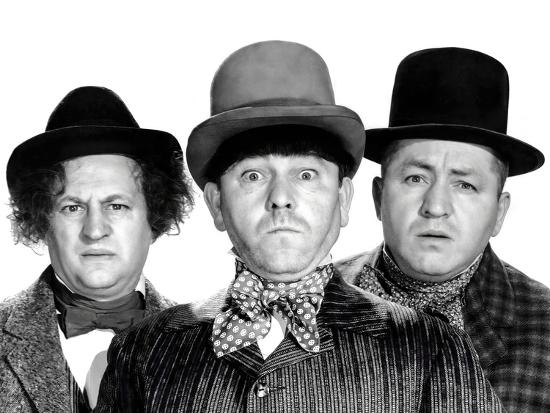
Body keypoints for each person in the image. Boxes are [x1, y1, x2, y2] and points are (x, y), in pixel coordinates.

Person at [95, 41, 503, 412]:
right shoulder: (145, 351)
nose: (281, 198)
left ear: (343, 199)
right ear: (217, 204)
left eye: (306, 174)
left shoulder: (431, 349)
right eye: (253, 175)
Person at [336, 47, 550, 412]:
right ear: (378, 197)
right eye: (415, 178)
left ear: (499, 213)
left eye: (465, 185)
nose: (435, 206)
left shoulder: (544, 331)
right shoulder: (306, 305)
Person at [0, 86, 193, 412]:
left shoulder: (215, 347)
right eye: (72, 207)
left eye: (116, 206)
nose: (94, 230)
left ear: (154, 217)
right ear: (42, 220)